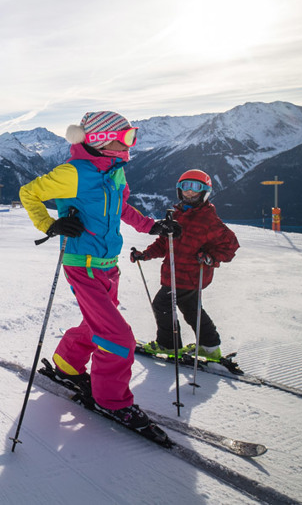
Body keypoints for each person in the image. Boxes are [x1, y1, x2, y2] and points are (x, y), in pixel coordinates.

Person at [19, 111, 181, 430]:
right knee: (118, 337)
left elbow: (121, 208)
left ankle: (67, 365)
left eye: (130, 136)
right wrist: (51, 224)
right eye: (125, 137)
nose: (129, 144)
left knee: (97, 325)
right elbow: (29, 193)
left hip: (109, 266)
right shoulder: (73, 173)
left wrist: (153, 227)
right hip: (83, 266)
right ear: (99, 140)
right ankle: (110, 400)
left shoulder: (115, 172)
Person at [132, 169, 240, 361]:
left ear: (205, 192)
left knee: (161, 304)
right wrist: (145, 254)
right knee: (192, 310)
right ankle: (210, 346)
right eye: (185, 187)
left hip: (189, 276)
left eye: (195, 188)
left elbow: (230, 246)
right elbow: (164, 243)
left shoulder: (209, 220)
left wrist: (209, 258)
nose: (189, 192)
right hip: (175, 273)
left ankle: (168, 344)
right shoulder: (177, 215)